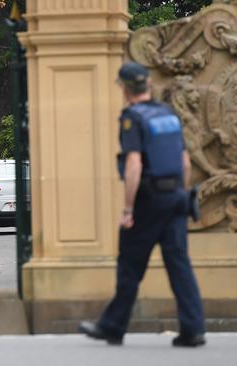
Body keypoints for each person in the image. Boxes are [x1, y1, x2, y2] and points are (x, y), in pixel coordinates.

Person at [78, 62, 206, 347]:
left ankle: (112, 326)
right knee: (179, 264)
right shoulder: (169, 114)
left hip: (149, 201)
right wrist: (180, 195)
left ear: (124, 88)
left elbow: (134, 164)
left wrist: (127, 210)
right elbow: (185, 163)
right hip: (177, 197)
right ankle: (194, 328)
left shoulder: (132, 118)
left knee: (130, 265)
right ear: (147, 85)